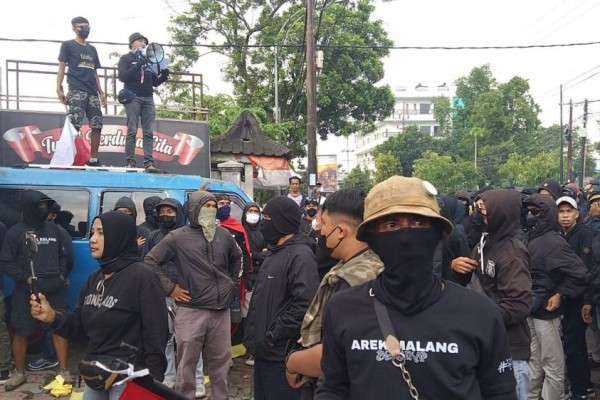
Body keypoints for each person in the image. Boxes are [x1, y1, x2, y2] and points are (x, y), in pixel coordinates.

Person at [317, 176, 517, 400]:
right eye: (391, 225)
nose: (406, 236)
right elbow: (333, 389)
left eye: (418, 223)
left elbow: (501, 393)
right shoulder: (343, 309)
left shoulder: (480, 313)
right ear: (371, 238)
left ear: (438, 235)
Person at [30, 211, 168, 400]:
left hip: (131, 376)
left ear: (119, 236)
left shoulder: (142, 277)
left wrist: (152, 379)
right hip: (97, 372)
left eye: (101, 233)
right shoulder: (94, 279)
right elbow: (80, 325)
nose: (92, 239)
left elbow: (156, 332)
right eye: (92, 232)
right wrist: (52, 317)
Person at [286, 190, 383, 400]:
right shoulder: (362, 266)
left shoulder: (354, 282)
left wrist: (294, 362)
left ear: (340, 231)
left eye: (324, 224)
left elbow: (338, 354)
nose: (320, 231)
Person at [145, 191, 242, 400]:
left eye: (213, 206)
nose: (211, 210)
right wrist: (170, 288)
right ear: (194, 209)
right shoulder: (178, 236)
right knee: (186, 365)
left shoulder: (223, 235)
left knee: (221, 364)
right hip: (190, 310)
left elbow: (237, 257)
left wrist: (232, 283)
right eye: (206, 206)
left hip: (220, 311)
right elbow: (150, 261)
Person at [451, 189, 532, 400]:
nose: (481, 217)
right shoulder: (484, 242)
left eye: (487, 213)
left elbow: (519, 305)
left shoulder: (512, 252)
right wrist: (459, 268)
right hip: (485, 342)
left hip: (510, 348)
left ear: (502, 214)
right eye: (480, 212)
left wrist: (479, 318)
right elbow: (475, 280)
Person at [244, 196, 319, 400]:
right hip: (264, 355)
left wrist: (273, 336)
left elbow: (304, 304)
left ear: (282, 221)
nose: (262, 222)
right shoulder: (275, 254)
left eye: (267, 217)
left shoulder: (300, 256)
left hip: (281, 356)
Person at [0, 191, 70, 391]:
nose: (44, 210)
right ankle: (20, 373)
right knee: (21, 331)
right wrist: (24, 278)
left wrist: (62, 275)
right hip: (26, 290)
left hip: (54, 289)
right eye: (39, 206)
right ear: (29, 207)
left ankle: (64, 370)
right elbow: (5, 261)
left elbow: (65, 256)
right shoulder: (15, 232)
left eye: (45, 206)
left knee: (60, 328)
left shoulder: (55, 230)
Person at [524, 194, 588, 400]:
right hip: (531, 310)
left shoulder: (553, 241)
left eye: (537, 213)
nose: (531, 216)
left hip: (546, 314)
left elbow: (581, 273)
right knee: (535, 362)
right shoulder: (531, 236)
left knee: (552, 365)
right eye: (530, 212)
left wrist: (560, 293)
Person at [556, 195, 595, 399]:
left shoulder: (584, 234)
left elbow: (586, 271)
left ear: (577, 213)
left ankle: (580, 390)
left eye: (568, 211)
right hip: (563, 298)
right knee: (571, 344)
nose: (565, 216)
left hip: (578, 298)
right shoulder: (558, 234)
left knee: (575, 346)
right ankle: (583, 383)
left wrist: (587, 301)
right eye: (561, 212)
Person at [57, 16, 106, 167]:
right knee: (74, 124)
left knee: (97, 125)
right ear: (74, 28)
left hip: (92, 92)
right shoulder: (67, 45)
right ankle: (65, 158)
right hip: (76, 89)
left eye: (87, 26)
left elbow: (95, 72)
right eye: (81, 26)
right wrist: (59, 87)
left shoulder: (92, 49)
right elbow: (62, 66)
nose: (85, 29)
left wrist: (101, 92)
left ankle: (94, 159)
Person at [118, 33, 169, 172]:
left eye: (145, 42)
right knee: (132, 130)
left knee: (148, 132)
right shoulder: (126, 58)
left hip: (148, 98)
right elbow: (123, 76)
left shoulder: (149, 61)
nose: (143, 44)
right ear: (132, 43)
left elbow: (154, 82)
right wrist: (138, 64)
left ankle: (148, 163)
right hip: (132, 97)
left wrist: (164, 75)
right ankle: (130, 162)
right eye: (140, 41)